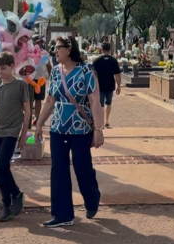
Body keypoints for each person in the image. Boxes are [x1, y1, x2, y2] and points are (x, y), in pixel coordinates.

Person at [34, 35, 105, 228]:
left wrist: (98, 129)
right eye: (54, 48)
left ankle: (92, 197)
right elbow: (50, 100)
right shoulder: (56, 72)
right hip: (58, 128)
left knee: (82, 168)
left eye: (58, 48)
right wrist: (39, 124)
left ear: (69, 49)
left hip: (81, 129)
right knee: (59, 170)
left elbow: (94, 101)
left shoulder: (86, 71)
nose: (55, 52)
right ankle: (63, 214)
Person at [0, 52, 31, 222]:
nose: (0, 72)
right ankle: (6, 205)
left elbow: (27, 111)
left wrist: (23, 135)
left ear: (11, 67)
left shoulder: (20, 85)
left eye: (3, 68)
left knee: (1, 167)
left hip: (11, 132)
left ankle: (16, 193)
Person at [92, 42, 122, 128]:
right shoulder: (113, 60)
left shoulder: (97, 61)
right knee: (109, 103)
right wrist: (118, 85)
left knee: (100, 104)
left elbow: (92, 74)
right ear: (110, 50)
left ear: (102, 49)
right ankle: (107, 121)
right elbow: (117, 74)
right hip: (110, 85)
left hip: (99, 86)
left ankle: (101, 122)